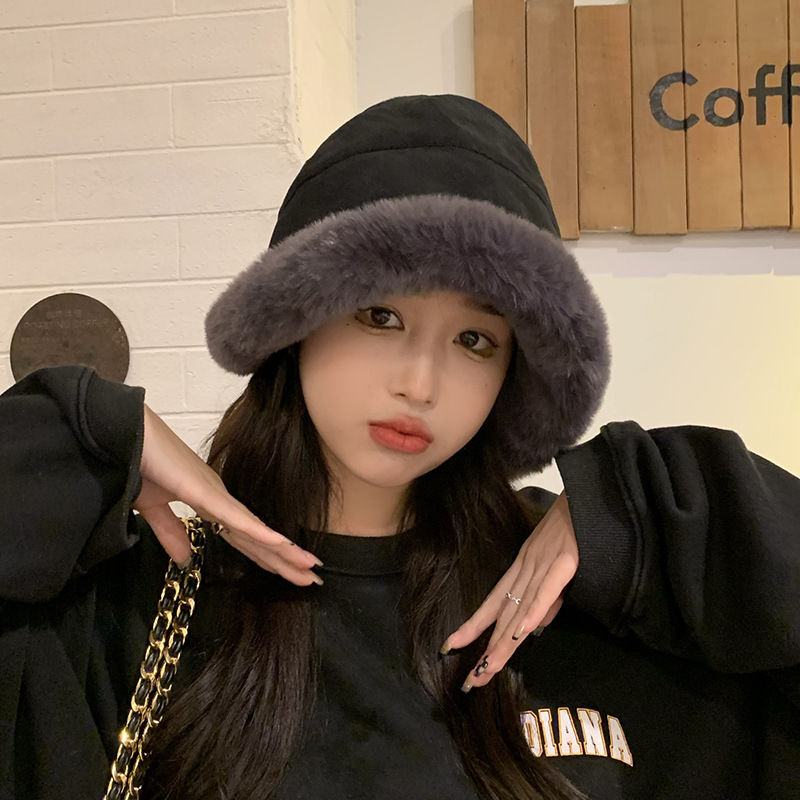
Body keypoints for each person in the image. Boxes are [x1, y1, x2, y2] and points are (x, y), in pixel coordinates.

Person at [1, 94, 798, 800]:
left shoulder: (576, 595)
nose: (421, 383)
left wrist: (654, 507)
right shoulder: (147, 599)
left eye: (476, 339)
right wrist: (81, 440)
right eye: (380, 315)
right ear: (297, 320)